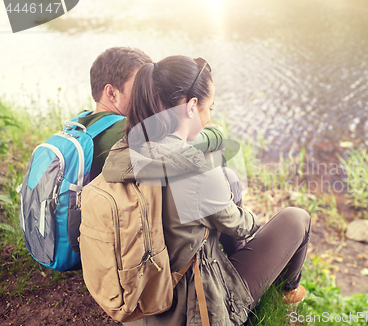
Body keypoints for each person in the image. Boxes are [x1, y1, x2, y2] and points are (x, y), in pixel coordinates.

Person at [100, 55, 311, 326]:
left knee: (226, 194)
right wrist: (248, 216)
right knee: (296, 218)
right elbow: (239, 225)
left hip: (141, 302)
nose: (210, 115)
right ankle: (288, 291)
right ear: (192, 106)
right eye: (210, 106)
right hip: (194, 308)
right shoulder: (193, 170)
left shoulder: (123, 152)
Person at [79, 47, 226, 181]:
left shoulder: (81, 123)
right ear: (111, 93)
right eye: (140, 86)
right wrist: (216, 133)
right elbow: (178, 144)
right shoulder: (126, 129)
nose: (150, 93)